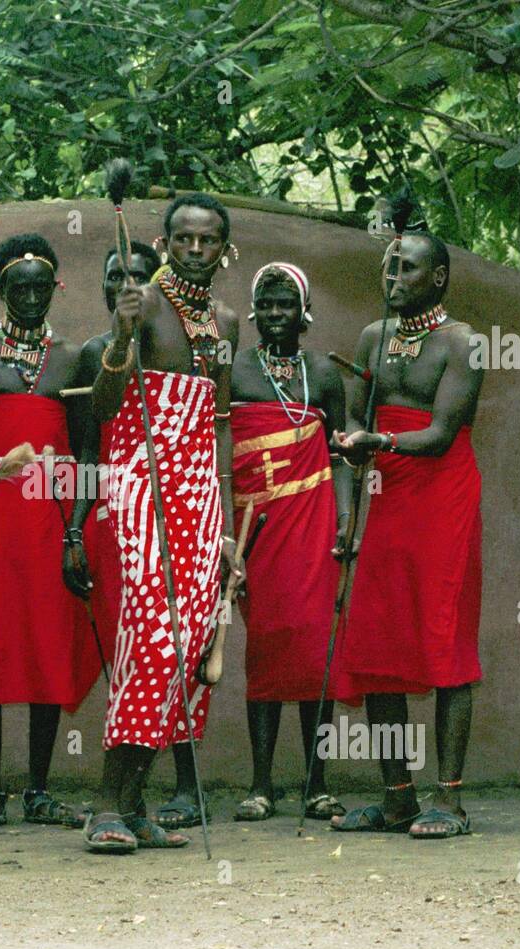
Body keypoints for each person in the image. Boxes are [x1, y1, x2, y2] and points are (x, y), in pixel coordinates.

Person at [82, 193, 242, 853]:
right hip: (142, 481)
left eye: (208, 241)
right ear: (166, 241)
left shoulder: (228, 320)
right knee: (153, 631)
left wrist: (226, 519)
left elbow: (223, 421)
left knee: (193, 638)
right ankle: (104, 805)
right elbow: (101, 404)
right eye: (184, 240)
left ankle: (133, 802)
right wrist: (121, 338)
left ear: (223, 247)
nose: (196, 251)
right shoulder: (143, 305)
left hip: (201, 490)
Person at [331, 228, 484, 838]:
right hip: (384, 495)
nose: (393, 279)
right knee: (378, 641)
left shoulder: (464, 344)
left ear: (438, 277)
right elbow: (353, 419)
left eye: (407, 269)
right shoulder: (374, 337)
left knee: (443, 637)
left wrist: (380, 442)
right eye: (388, 269)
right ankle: (398, 797)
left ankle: (449, 801)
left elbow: (444, 433)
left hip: (441, 496)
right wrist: (348, 482)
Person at [0, 233, 99, 829]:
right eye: (21, 286)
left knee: (45, 647)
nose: (33, 296)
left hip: (50, 518)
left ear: (57, 287)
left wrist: (76, 532)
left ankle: (39, 790)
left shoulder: (73, 357)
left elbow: (88, 450)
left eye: (43, 286)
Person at [229, 262, 351, 822]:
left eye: (286, 305)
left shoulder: (324, 374)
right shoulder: (234, 371)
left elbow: (341, 454)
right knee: (267, 649)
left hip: (314, 523)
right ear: (254, 311)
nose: (276, 314)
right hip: (258, 528)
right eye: (267, 304)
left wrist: (347, 518)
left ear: (304, 313)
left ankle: (316, 784)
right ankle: (260, 785)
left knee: (312, 652)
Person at [65, 243, 156, 660]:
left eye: (137, 277)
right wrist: (75, 530)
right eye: (116, 277)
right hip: (115, 514)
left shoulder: (175, 348)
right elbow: (88, 449)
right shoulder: (93, 352)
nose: (125, 286)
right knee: (124, 639)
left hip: (174, 508)